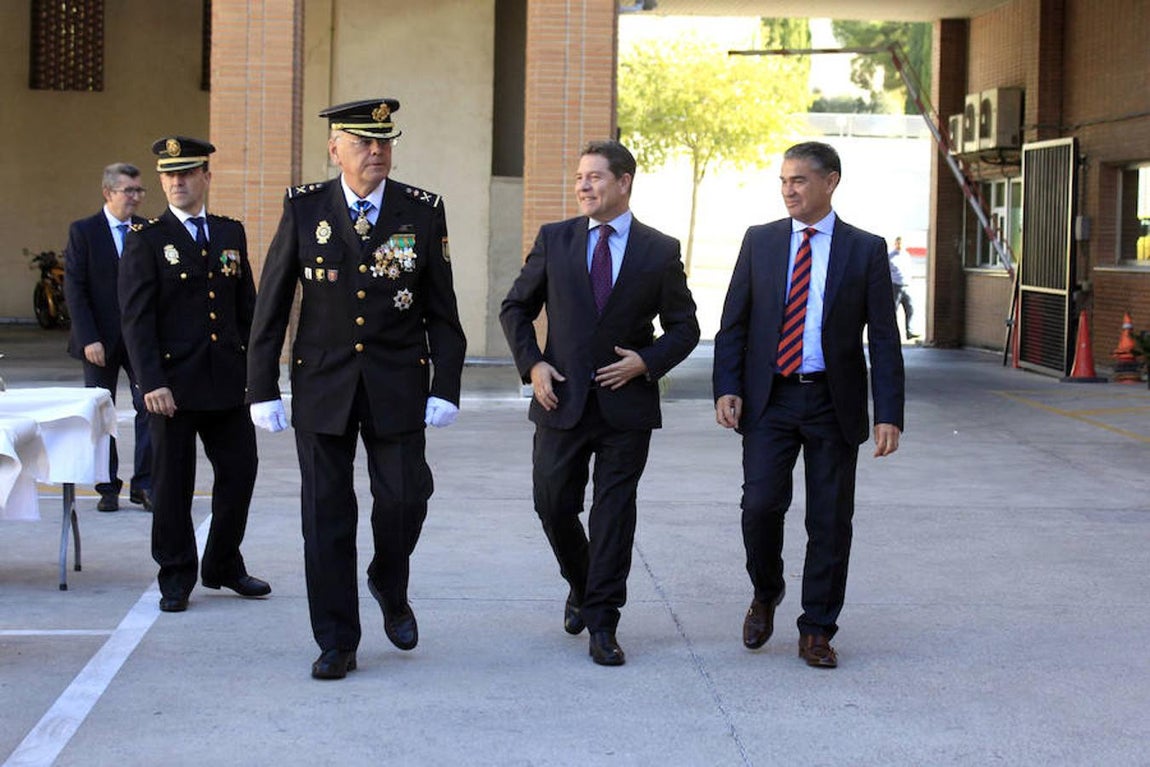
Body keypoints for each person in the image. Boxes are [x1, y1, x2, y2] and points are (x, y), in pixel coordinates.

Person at [246, 99, 467, 680]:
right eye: (364, 142)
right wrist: (260, 386)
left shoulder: (421, 209)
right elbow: (271, 305)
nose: (377, 152)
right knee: (325, 517)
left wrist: (446, 383)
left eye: (385, 141)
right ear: (334, 148)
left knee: (403, 501)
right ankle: (337, 640)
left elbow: (441, 307)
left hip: (397, 384)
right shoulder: (304, 208)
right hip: (323, 385)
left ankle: (389, 582)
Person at [500, 139, 700, 667]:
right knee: (552, 505)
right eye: (579, 177)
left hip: (624, 407)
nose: (583, 186)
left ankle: (604, 621)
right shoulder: (556, 239)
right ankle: (582, 582)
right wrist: (533, 363)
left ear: (624, 182)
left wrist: (647, 362)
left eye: (595, 177)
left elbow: (686, 328)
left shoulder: (659, 250)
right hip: (559, 398)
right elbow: (516, 307)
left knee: (613, 514)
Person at [713, 141, 905, 669]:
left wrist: (888, 411)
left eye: (798, 180)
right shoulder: (762, 242)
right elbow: (734, 322)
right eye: (783, 181)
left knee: (829, 521)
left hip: (831, 401)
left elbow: (884, 338)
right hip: (770, 398)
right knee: (759, 507)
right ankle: (766, 589)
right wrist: (727, 385)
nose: (788, 190)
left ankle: (817, 628)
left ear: (830, 181)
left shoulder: (864, 249)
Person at [119, 136, 270, 613]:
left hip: (226, 380)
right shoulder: (146, 240)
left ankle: (222, 562)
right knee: (172, 484)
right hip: (173, 388)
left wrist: (257, 372)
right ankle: (176, 573)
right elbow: (136, 319)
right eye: (168, 174)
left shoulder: (229, 233)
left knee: (241, 472)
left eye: (186, 173)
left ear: (205, 176)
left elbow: (247, 308)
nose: (177, 181)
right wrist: (150, 382)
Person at [64, 163, 153, 512]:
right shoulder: (84, 231)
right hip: (99, 340)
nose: (134, 197)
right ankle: (107, 485)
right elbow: (75, 288)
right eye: (128, 190)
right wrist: (88, 338)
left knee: (150, 408)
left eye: (139, 191)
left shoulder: (148, 230)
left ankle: (144, 485)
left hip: (140, 340)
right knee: (102, 413)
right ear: (108, 192)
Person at [888, 236, 918, 340]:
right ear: (895, 244)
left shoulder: (906, 255)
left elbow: (909, 269)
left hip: (907, 286)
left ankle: (909, 331)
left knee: (910, 309)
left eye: (901, 243)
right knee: (893, 310)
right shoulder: (890, 256)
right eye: (898, 243)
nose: (900, 245)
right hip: (895, 285)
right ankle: (891, 333)